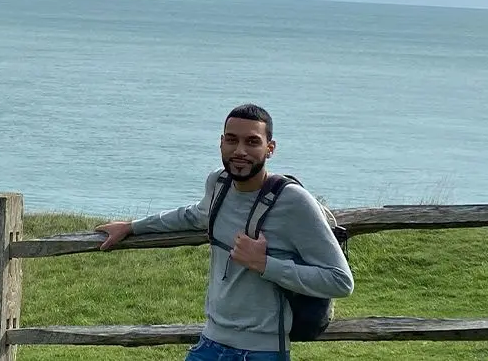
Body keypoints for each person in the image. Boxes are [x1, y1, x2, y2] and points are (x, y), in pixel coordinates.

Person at [95, 103, 354, 361]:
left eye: (252, 142)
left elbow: (340, 281)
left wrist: (264, 264)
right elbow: (194, 215)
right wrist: (132, 226)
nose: (240, 151)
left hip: (262, 351)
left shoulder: (293, 201)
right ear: (221, 143)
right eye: (232, 140)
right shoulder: (219, 183)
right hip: (210, 343)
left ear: (270, 148)